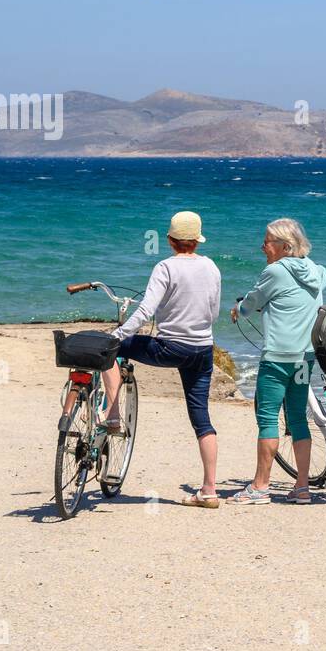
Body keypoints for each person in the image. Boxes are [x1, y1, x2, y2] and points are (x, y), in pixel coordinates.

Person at [102, 211, 223, 509]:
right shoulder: (211, 266)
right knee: (201, 419)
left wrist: (119, 333)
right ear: (196, 240)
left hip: (170, 347)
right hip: (203, 349)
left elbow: (145, 310)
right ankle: (209, 490)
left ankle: (114, 414)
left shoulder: (165, 267)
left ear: (170, 240)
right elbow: (214, 311)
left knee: (112, 350)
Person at [229, 218, 326, 505]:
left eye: (267, 241)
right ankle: (302, 487)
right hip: (304, 357)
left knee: (268, 418)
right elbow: (324, 276)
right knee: (298, 418)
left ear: (285, 247)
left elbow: (253, 302)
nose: (262, 246)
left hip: (278, 357)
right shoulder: (315, 270)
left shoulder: (275, 271)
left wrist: (238, 309)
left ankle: (260, 487)